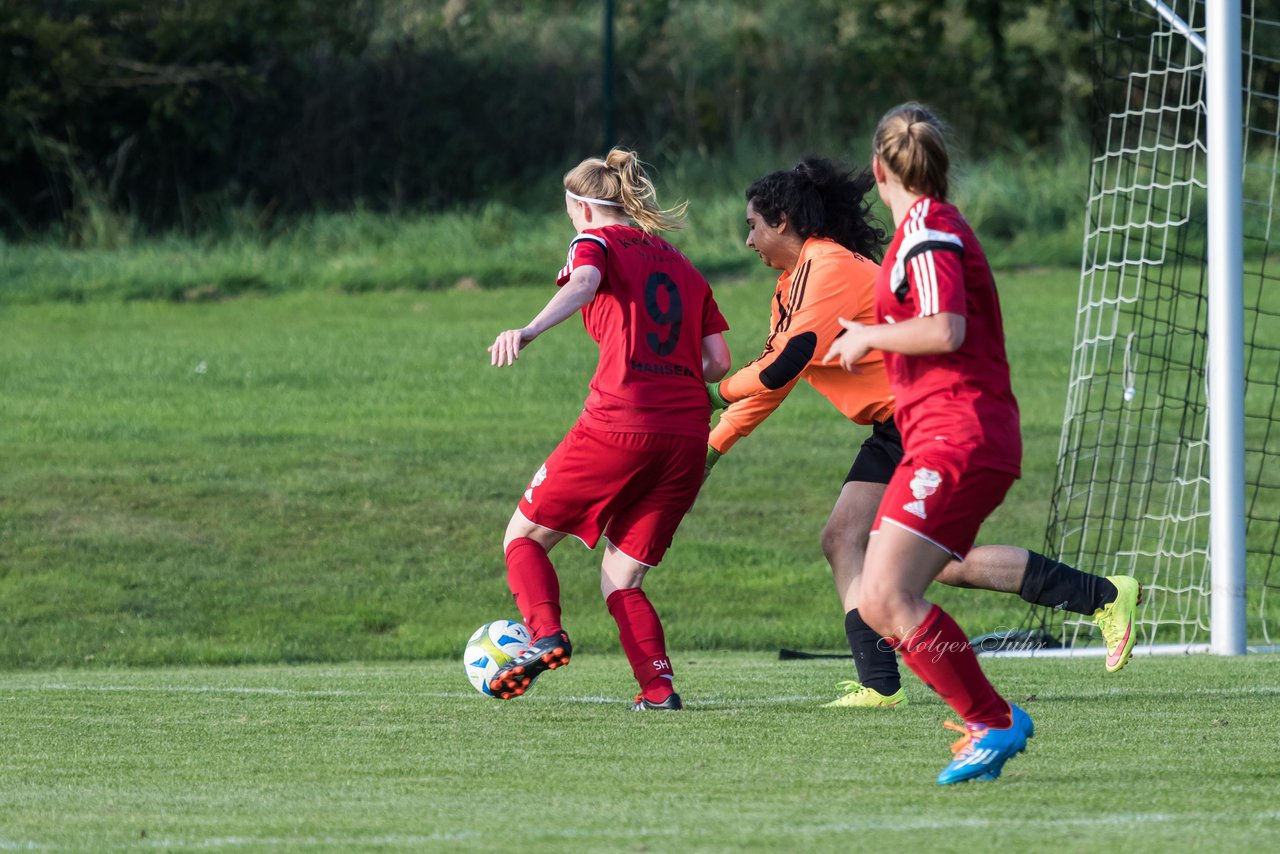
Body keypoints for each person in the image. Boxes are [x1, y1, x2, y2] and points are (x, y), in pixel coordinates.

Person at [705, 157, 1142, 711]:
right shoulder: (792, 284)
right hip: (894, 427)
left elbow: (779, 368)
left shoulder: (829, 270)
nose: (749, 241)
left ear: (783, 221)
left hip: (926, 418)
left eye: (753, 226)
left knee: (938, 561)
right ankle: (880, 684)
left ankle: (1104, 596)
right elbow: (773, 384)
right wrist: (713, 449)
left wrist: (714, 396)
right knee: (843, 537)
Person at [815, 102, 1057, 783]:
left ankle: (993, 720)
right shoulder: (919, 231)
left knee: (887, 593)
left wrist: (866, 337)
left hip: (962, 433)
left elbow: (945, 327)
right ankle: (989, 720)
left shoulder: (928, 231)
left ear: (877, 170)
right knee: (879, 598)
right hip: (941, 435)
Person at [487, 147, 731, 711]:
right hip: (689, 436)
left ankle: (544, 636)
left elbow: (585, 281)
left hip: (622, 422)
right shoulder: (683, 264)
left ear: (580, 205)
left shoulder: (592, 241)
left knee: (522, 538)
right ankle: (659, 690)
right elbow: (717, 362)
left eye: (568, 210)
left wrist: (529, 329)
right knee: (621, 578)